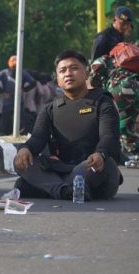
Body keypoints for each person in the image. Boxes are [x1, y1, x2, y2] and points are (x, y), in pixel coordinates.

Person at [14, 50, 122, 200]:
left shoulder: (103, 102)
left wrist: (101, 153)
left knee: (25, 185)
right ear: (57, 78)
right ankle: (65, 190)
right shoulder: (50, 108)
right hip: (63, 169)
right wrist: (24, 149)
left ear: (86, 73)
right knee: (23, 163)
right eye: (62, 70)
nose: (68, 73)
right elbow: (37, 139)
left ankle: (51, 186)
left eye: (74, 68)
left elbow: (109, 136)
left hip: (94, 167)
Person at [0, 55, 36, 135]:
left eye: (16, 61)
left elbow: (33, 82)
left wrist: (24, 89)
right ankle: (5, 134)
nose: (14, 64)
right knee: (6, 120)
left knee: (20, 120)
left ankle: (18, 133)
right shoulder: (5, 72)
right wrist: (2, 92)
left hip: (18, 100)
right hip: (8, 101)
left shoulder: (22, 73)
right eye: (13, 61)